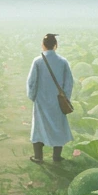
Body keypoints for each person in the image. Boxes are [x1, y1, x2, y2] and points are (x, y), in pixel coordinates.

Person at [26, 33, 74, 164]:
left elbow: (32, 82)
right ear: (55, 46)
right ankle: (56, 157)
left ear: (43, 45)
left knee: (39, 126)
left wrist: (32, 96)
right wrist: (66, 98)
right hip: (58, 101)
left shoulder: (38, 61)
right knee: (58, 126)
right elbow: (69, 82)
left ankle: (38, 157)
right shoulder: (63, 61)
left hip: (41, 100)